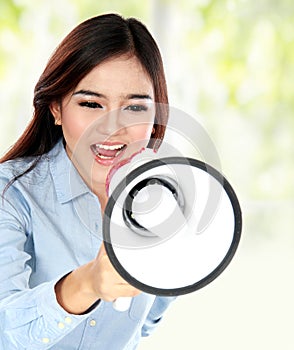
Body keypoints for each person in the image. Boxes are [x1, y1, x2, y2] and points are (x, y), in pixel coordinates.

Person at [0, 13, 175, 349]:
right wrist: (87, 284)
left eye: (135, 108)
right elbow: (6, 332)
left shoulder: (161, 199)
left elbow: (144, 324)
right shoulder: (11, 193)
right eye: (91, 103)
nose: (111, 128)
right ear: (56, 107)